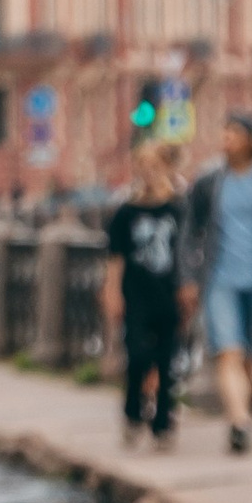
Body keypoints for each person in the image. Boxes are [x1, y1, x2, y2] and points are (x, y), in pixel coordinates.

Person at [182, 110, 252, 455]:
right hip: (220, 279)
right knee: (227, 352)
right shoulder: (208, 180)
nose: (226, 139)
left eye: (234, 133)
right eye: (225, 133)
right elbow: (190, 231)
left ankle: (242, 414)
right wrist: (189, 276)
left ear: (251, 139)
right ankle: (239, 423)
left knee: (251, 359)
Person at [101, 144, 185, 448]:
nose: (148, 172)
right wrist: (111, 291)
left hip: (170, 293)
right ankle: (133, 410)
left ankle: (163, 421)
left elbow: (189, 254)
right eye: (143, 165)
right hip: (136, 294)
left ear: (167, 167)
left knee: (167, 359)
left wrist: (191, 289)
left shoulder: (178, 209)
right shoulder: (126, 211)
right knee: (137, 355)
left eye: (155, 165)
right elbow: (116, 256)